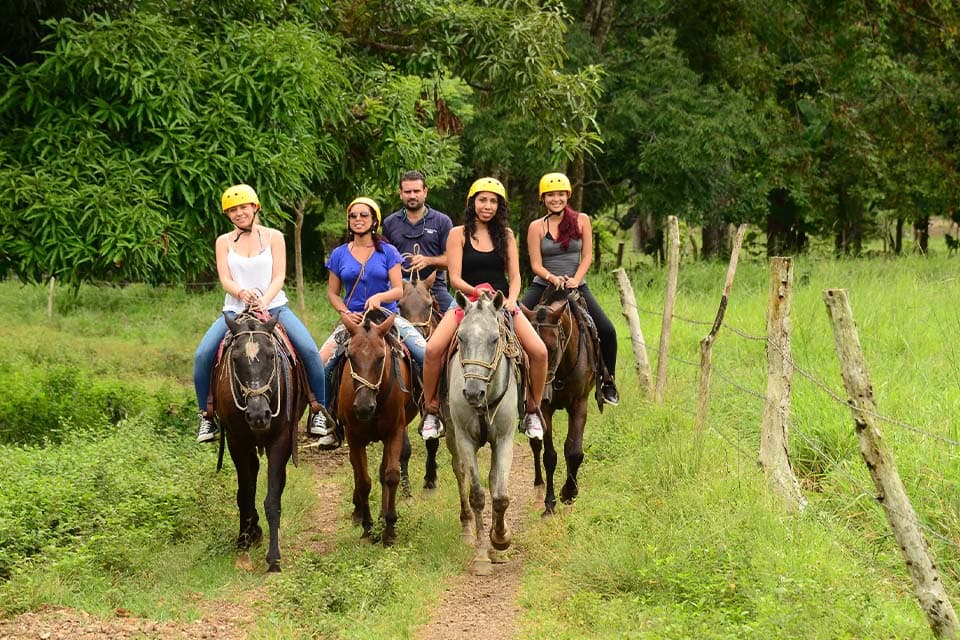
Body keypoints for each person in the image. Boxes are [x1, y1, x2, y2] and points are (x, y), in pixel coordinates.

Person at [193, 184, 331, 443]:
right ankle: (206, 417)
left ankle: (318, 410)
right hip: (235, 310)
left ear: (255, 207)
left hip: (274, 306)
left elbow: (279, 275)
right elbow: (225, 279)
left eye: (243, 207)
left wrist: (264, 302)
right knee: (202, 354)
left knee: (310, 351)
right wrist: (241, 293)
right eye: (232, 210)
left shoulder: (274, 237)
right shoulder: (223, 242)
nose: (238, 213)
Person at [420, 177, 548, 440]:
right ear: (472, 203)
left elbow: (515, 277)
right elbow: (454, 277)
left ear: (499, 206)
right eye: (482, 200)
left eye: (493, 201)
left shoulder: (507, 235)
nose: (487, 206)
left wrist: (512, 299)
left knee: (539, 351)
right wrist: (476, 292)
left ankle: (532, 410)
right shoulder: (458, 234)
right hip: (467, 303)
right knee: (432, 349)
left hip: (500, 304)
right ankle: (431, 409)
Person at [313, 196, 428, 449]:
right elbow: (332, 292)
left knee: (425, 354)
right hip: (352, 321)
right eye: (353, 216)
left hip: (386, 318)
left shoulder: (388, 252)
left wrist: (379, 296)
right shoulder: (339, 254)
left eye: (364, 215)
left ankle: (430, 410)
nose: (358, 220)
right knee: (321, 364)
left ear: (374, 220)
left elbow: (398, 290)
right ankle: (328, 418)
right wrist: (344, 311)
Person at [520, 172, 620, 406]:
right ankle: (518, 382)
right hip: (544, 284)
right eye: (551, 195)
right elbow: (535, 264)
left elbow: (587, 256)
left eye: (561, 194)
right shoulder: (536, 226)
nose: (556, 199)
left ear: (568, 196)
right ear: (543, 198)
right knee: (514, 320)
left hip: (576, 286)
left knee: (607, 330)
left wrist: (575, 279)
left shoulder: (581, 220)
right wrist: (551, 277)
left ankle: (608, 381)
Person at [381, 170, 455, 311]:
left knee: (459, 319)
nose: (412, 196)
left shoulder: (442, 221)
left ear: (425, 192)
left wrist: (428, 261)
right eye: (408, 192)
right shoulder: (389, 223)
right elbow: (384, 260)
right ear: (401, 193)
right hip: (399, 288)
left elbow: (452, 261)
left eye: (416, 191)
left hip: (434, 288)